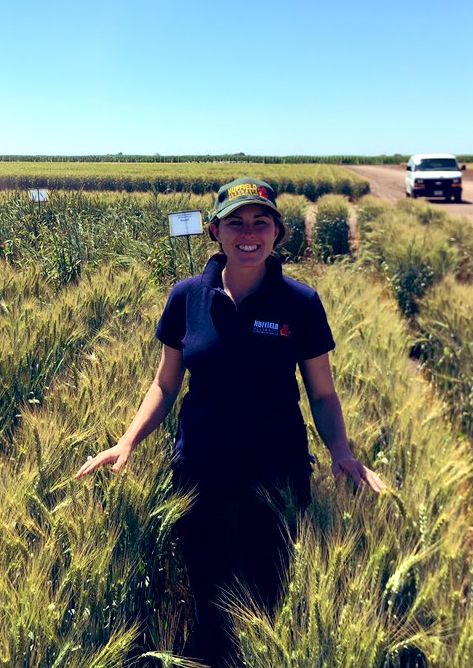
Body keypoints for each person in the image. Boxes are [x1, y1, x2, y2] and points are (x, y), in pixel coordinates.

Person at [74, 177, 386, 667]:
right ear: (214, 231)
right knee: (210, 611)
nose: (249, 232)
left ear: (278, 233)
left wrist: (341, 452)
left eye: (261, 222)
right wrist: (127, 441)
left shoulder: (300, 304)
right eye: (235, 222)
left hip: (277, 480)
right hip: (200, 480)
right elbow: (165, 385)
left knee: (267, 606)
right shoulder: (186, 298)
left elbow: (323, 394)